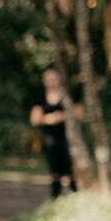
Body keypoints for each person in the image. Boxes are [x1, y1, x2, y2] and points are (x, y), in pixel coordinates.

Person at [30, 68, 76, 197]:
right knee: (55, 171)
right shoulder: (40, 97)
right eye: (48, 79)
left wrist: (62, 116)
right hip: (50, 139)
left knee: (70, 169)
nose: (51, 82)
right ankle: (55, 199)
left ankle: (74, 196)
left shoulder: (68, 96)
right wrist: (50, 119)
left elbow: (79, 113)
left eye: (53, 79)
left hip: (67, 138)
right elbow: (34, 119)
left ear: (59, 79)